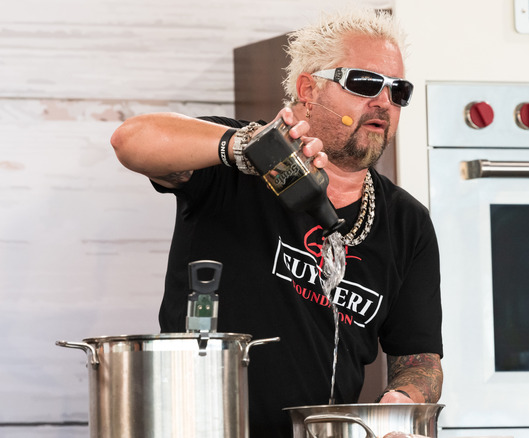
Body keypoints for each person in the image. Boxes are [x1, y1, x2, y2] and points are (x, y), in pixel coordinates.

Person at [110, 8, 443, 438]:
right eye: (364, 83)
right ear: (309, 88)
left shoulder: (407, 223)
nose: (384, 101)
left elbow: (419, 358)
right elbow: (130, 140)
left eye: (399, 90)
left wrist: (401, 404)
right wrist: (245, 148)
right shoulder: (233, 166)